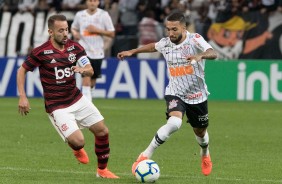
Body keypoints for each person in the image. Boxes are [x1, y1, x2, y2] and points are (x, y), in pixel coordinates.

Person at [17, 14, 119, 179]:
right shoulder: (40, 52)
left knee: (102, 131)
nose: (65, 34)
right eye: (61, 31)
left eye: (66, 30)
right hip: (57, 107)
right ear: (51, 31)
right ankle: (76, 148)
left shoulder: (75, 47)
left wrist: (83, 70)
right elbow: (21, 70)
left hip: (76, 98)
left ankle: (102, 171)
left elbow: (90, 69)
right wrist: (23, 96)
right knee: (79, 141)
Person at [117, 12, 217, 176]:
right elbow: (152, 46)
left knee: (201, 132)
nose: (170, 33)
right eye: (168, 29)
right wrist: (132, 51)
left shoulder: (195, 39)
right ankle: (145, 155)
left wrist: (200, 55)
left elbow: (213, 53)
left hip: (197, 95)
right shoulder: (166, 43)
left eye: (174, 29)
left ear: (184, 28)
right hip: (175, 91)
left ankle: (205, 153)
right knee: (174, 123)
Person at [71, 0, 115, 101]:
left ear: (98, 2)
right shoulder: (80, 15)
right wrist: (75, 33)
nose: (92, 3)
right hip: (83, 51)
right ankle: (87, 106)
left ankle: (88, 97)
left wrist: (97, 30)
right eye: (90, 0)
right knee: (86, 76)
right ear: (86, 2)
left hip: (97, 51)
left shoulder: (104, 15)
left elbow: (112, 33)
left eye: (95, 1)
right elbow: (73, 28)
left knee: (92, 82)